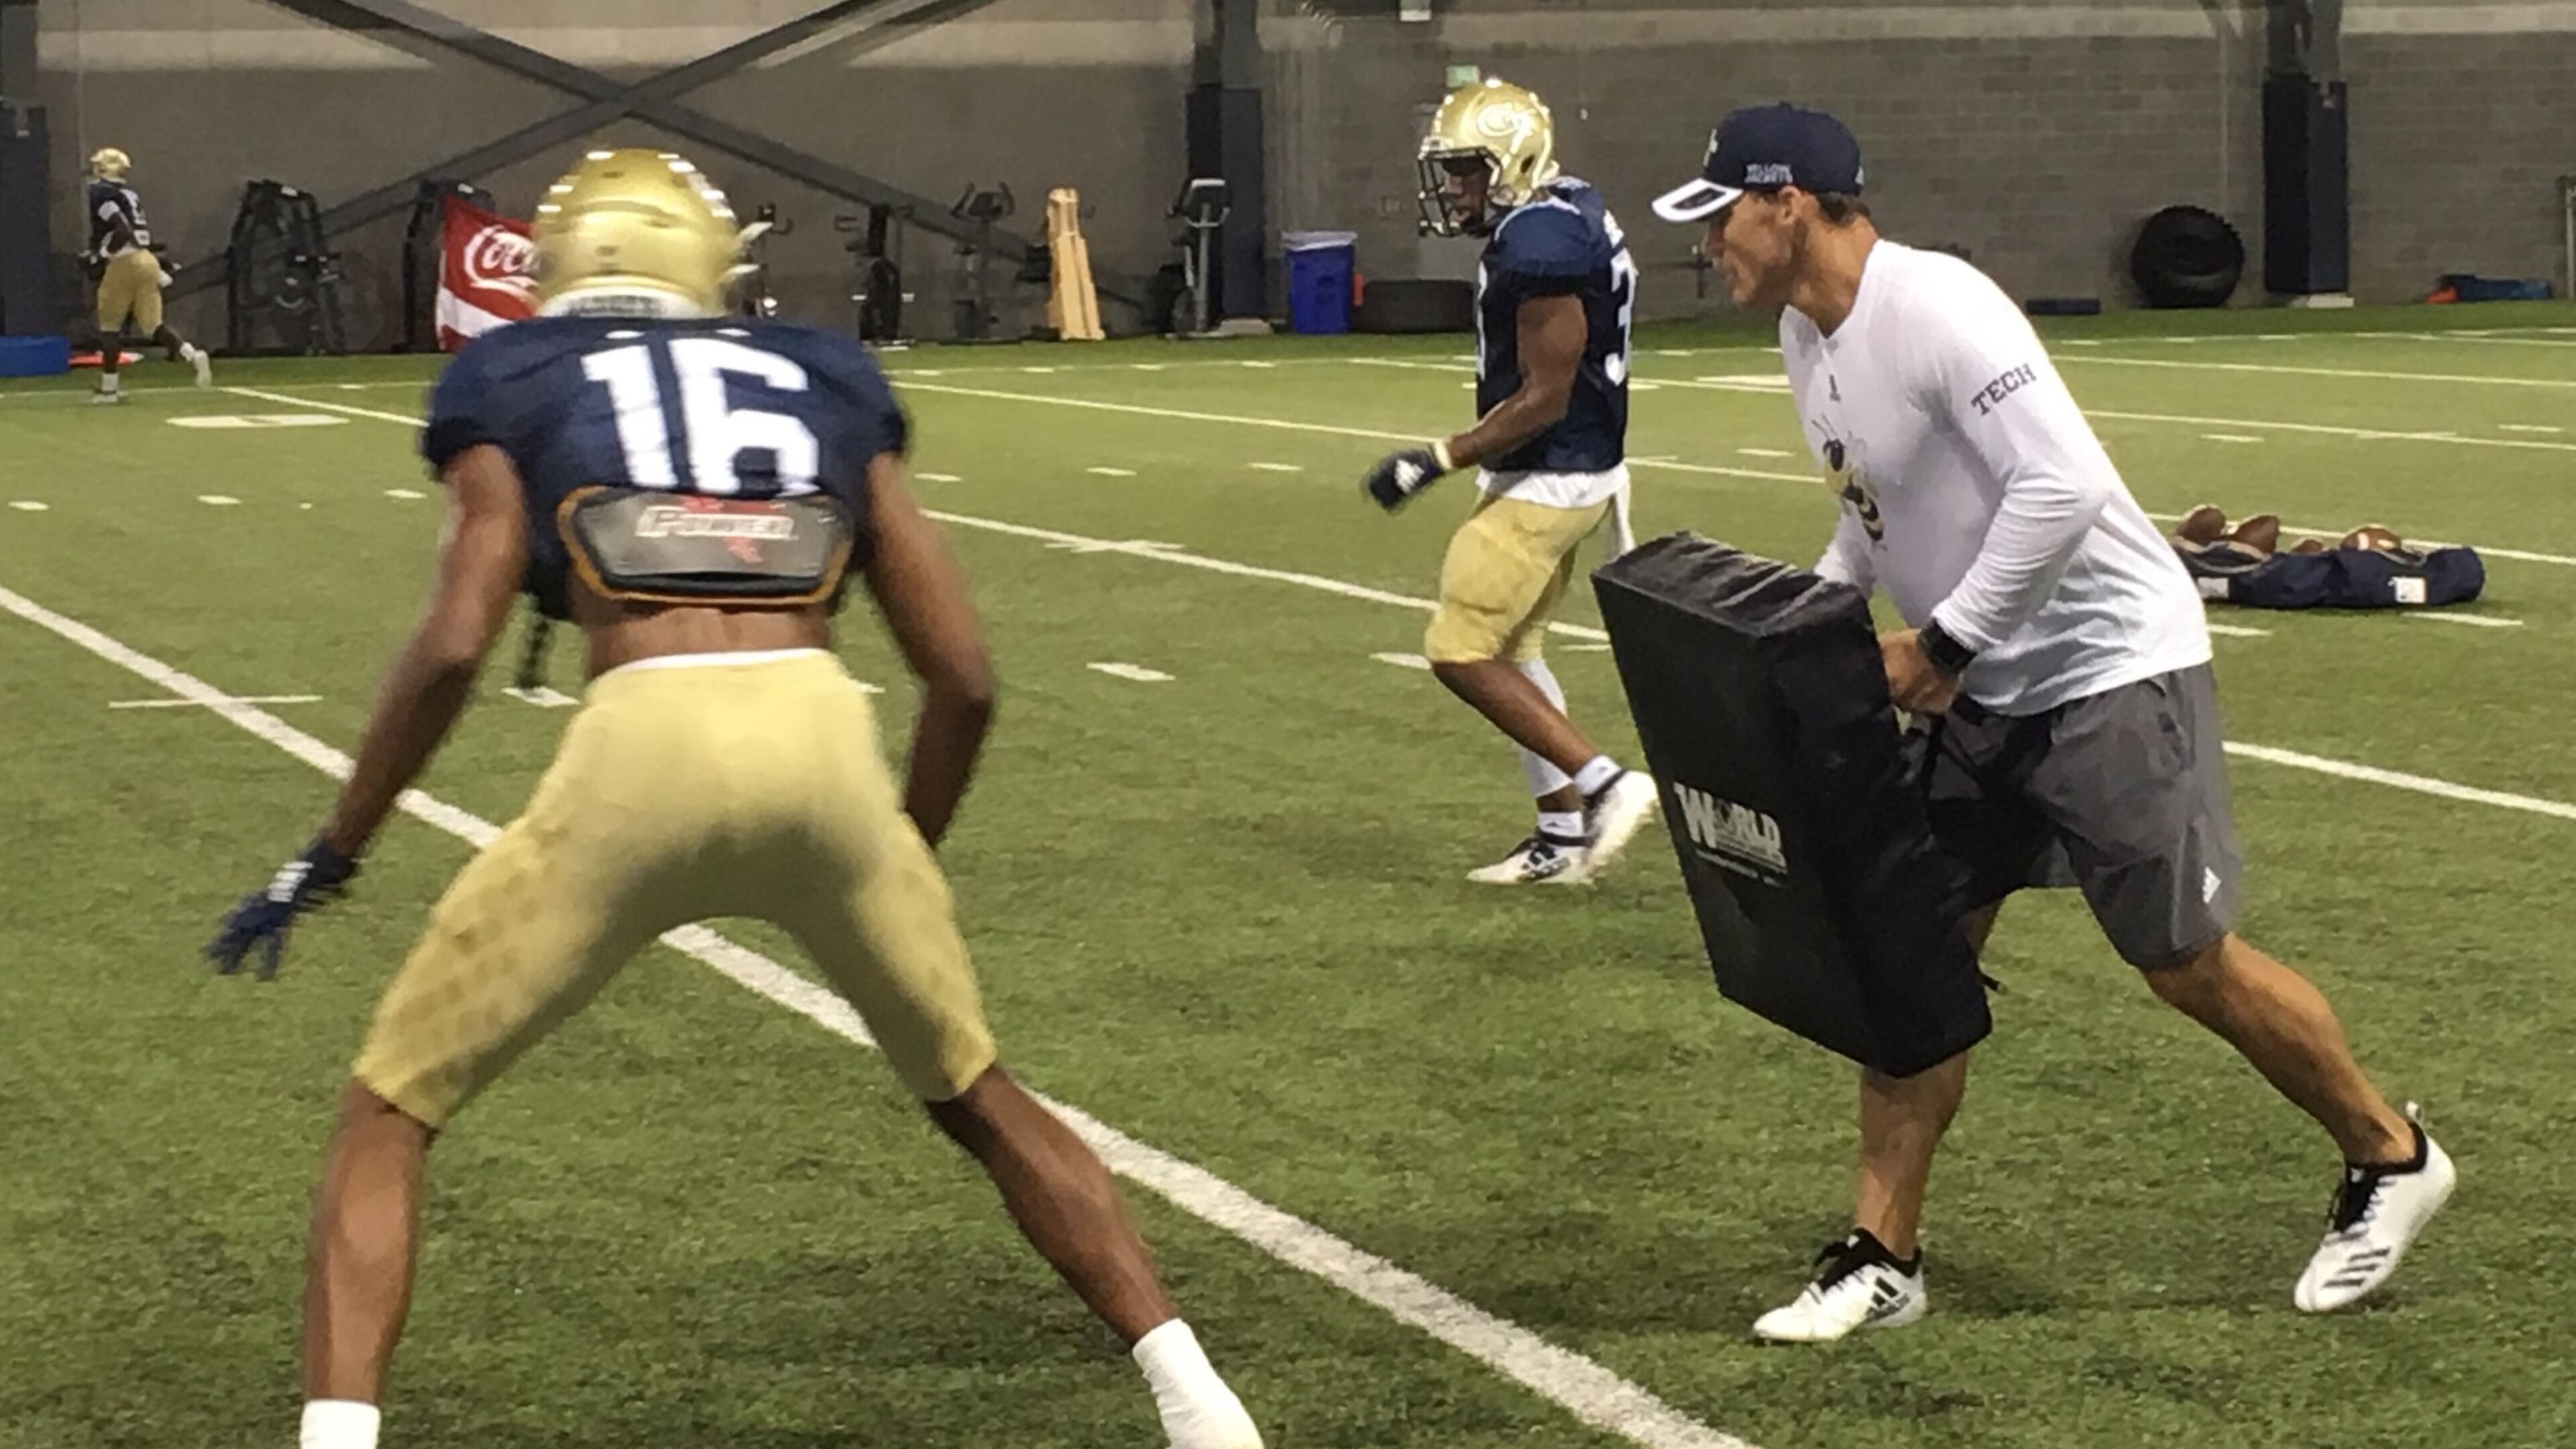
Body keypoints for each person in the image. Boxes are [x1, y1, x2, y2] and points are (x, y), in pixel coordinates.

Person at [205, 148, 1263, 1449]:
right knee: (978, 1094)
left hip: (642, 742)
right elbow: (965, 677)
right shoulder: (820, 373)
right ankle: (1201, 1404)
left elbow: (452, 640)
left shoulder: (513, 375)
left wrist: (336, 846)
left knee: (389, 1112)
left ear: (567, 266)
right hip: (822, 739)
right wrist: (898, 852)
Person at [1651, 104, 2454, 1342]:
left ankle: (2391, 1156)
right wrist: (1803, 629)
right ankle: (1883, 1256)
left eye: (1724, 217)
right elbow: (1869, 512)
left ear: (1789, 202)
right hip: (1984, 693)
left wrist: (1950, 640)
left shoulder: (1939, 307)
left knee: (2184, 962)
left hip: (2108, 669)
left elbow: (2065, 485)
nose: (1713, 246)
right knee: (1912, 968)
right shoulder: (1810, 338)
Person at [1357, 76, 1658, 886]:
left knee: (1458, 649)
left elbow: (1545, 396)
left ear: (1513, 161)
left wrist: (1437, 457)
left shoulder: (1541, 247)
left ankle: (1607, 783)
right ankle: (1560, 839)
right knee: (1514, 648)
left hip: (1556, 476)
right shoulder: (1564, 209)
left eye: (1467, 171)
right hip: (1566, 470)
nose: (1456, 190)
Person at [83, 147, 212, 402]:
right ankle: (192, 355)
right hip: (146, 260)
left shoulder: (102, 194)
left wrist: (104, 254)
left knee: (109, 327)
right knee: (153, 325)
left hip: (124, 262)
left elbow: (122, 228)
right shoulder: (130, 194)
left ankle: (110, 390)